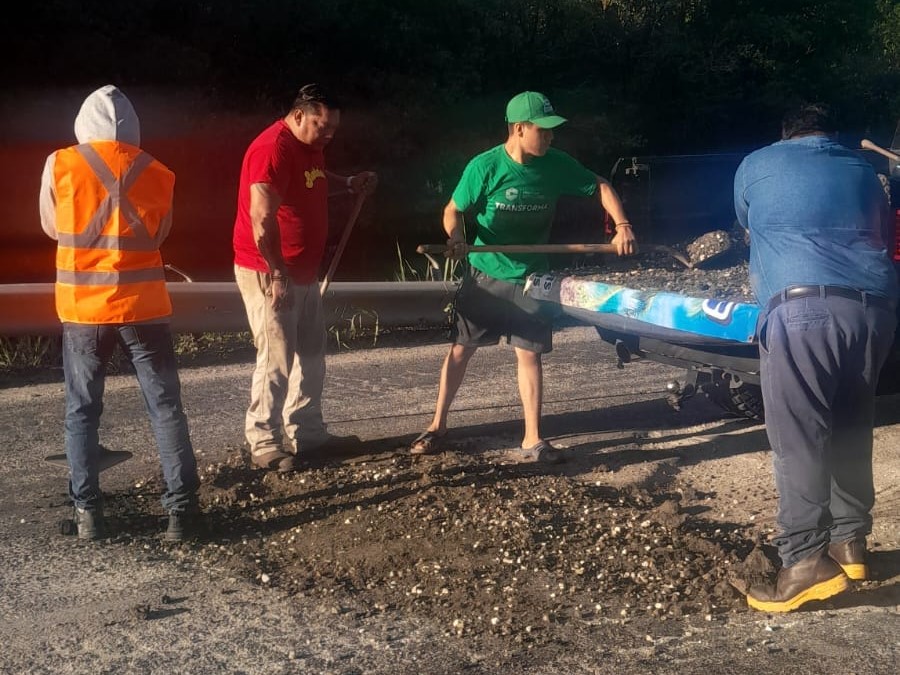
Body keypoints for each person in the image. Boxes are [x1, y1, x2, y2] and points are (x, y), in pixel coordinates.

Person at [409, 91, 635, 462]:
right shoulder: (485, 167)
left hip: (532, 278)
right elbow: (453, 210)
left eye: (551, 130)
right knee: (461, 350)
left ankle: (532, 439)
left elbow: (600, 186)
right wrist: (457, 238)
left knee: (529, 355)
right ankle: (437, 426)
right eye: (542, 130)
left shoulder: (556, 164)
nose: (550, 137)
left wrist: (622, 225)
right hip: (486, 275)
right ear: (518, 129)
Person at [734, 103, 899, 612]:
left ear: (786, 135)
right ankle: (850, 544)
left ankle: (805, 561)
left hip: (801, 310)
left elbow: (746, 221)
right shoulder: (862, 170)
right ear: (831, 134)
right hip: (874, 311)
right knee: (852, 423)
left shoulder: (756, 164)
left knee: (799, 436)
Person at [39, 85, 201, 541]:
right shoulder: (159, 172)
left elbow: (51, 226)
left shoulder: (61, 164)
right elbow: (159, 234)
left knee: (82, 411)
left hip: (83, 310)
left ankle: (88, 515)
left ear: (82, 123)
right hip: (145, 307)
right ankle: (183, 514)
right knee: (166, 408)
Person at [233, 84, 377, 472]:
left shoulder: (307, 146)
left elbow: (312, 177)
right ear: (299, 115)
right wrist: (277, 273)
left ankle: (307, 433)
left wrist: (347, 183)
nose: (328, 134)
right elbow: (261, 218)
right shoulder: (271, 149)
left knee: (311, 354)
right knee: (276, 357)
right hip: (270, 271)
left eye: (333, 128)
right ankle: (264, 440)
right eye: (322, 126)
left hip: (303, 271)